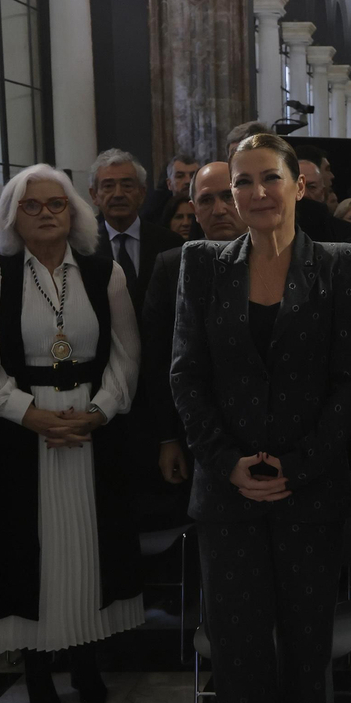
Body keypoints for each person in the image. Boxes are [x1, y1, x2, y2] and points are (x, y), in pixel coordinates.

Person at [171, 133, 351, 703]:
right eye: (239, 184)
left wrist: (300, 464)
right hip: (226, 498)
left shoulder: (340, 264)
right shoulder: (201, 264)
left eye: (267, 179)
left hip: (308, 494)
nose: (252, 194)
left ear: (300, 185)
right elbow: (185, 376)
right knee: (242, 653)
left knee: (305, 652)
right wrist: (227, 463)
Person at [0, 163, 143, 703]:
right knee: (30, 554)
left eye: (55, 205)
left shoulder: (102, 270)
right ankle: (37, 670)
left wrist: (99, 411)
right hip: (19, 436)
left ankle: (86, 660)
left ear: (74, 212)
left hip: (89, 430)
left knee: (86, 549)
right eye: (31, 206)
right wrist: (29, 414)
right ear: (13, 215)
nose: (44, 215)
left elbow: (127, 354)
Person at [142, 161, 245, 489]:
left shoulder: (282, 261)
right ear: (194, 210)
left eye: (228, 197)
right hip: (192, 430)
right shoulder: (171, 266)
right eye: (206, 200)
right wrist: (166, 438)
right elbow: (156, 358)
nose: (219, 210)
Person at [90, 149, 184, 316]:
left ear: (142, 193)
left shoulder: (171, 244)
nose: (118, 194)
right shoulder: (83, 247)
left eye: (127, 186)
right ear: (94, 195)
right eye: (108, 186)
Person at [140, 153, 200, 227]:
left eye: (193, 176)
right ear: (169, 184)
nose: (188, 181)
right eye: (180, 176)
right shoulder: (155, 211)